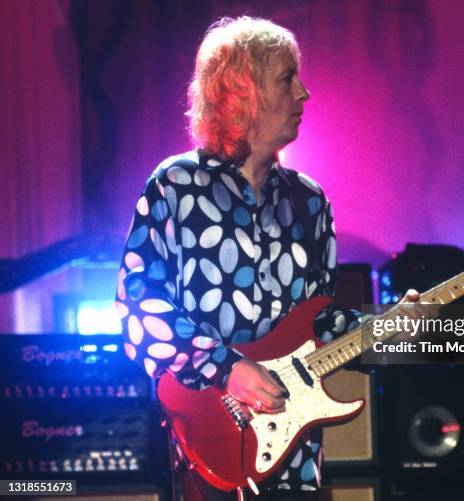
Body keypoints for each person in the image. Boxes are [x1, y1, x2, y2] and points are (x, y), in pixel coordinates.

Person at [115, 16, 368, 500]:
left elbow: (319, 323)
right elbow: (138, 309)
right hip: (204, 453)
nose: (304, 93)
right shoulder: (177, 186)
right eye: (287, 78)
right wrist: (226, 367)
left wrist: (392, 331)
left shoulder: (309, 200)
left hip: (294, 460)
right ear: (242, 92)